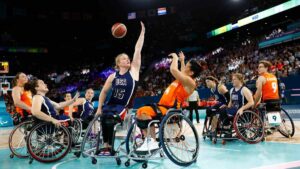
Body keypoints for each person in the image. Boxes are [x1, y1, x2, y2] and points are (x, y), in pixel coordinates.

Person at [135, 52, 205, 153]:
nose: (184, 68)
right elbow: (182, 72)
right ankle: (148, 140)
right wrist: (182, 60)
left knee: (144, 112)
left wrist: (175, 58)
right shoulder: (182, 80)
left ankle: (152, 141)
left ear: (191, 73)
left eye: (186, 66)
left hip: (170, 110)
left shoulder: (190, 82)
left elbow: (173, 69)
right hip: (162, 107)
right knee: (141, 112)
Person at [95, 22, 145, 156]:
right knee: (104, 117)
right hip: (110, 105)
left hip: (124, 107)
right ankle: (106, 146)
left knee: (110, 119)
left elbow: (137, 50)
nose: (127, 60)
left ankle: (109, 146)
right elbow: (104, 92)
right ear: (118, 63)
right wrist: (99, 107)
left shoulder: (134, 71)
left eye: (128, 58)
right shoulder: (112, 76)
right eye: (124, 59)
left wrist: (142, 33)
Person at [218, 73, 254, 137]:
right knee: (221, 109)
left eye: (234, 79)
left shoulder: (244, 89)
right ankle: (227, 129)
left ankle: (228, 130)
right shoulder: (232, 90)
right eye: (232, 79)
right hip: (233, 109)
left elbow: (251, 102)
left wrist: (242, 108)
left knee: (224, 112)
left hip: (241, 110)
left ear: (240, 80)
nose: (232, 81)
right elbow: (231, 102)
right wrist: (226, 106)